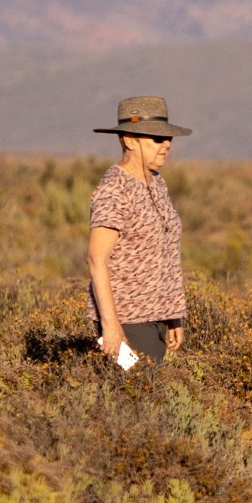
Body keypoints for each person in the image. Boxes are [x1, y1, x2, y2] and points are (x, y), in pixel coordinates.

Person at [87, 95, 191, 364]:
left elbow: (164, 253)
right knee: (133, 396)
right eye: (156, 139)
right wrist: (111, 327)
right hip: (127, 322)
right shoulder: (115, 188)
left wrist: (173, 315)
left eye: (168, 138)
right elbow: (96, 260)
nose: (166, 144)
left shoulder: (156, 182)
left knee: (145, 397)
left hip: (156, 319)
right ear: (130, 140)